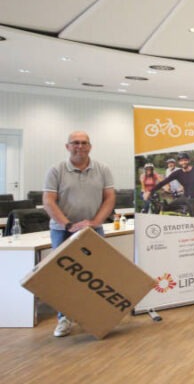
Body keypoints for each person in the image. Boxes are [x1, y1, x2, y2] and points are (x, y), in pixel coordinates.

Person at [43, 131, 115, 337]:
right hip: (62, 231)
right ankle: (64, 319)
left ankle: (93, 316)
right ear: (67, 147)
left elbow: (109, 198)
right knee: (64, 276)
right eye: (75, 143)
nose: (80, 146)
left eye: (84, 143)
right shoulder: (56, 170)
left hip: (94, 230)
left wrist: (94, 223)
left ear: (90, 146)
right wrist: (68, 225)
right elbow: (49, 201)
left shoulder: (102, 169)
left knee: (97, 274)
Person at [145, 152, 194, 216]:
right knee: (167, 208)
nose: (183, 162)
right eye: (181, 161)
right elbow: (163, 182)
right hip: (185, 197)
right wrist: (150, 191)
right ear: (179, 162)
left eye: (185, 160)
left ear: (188, 160)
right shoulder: (177, 173)